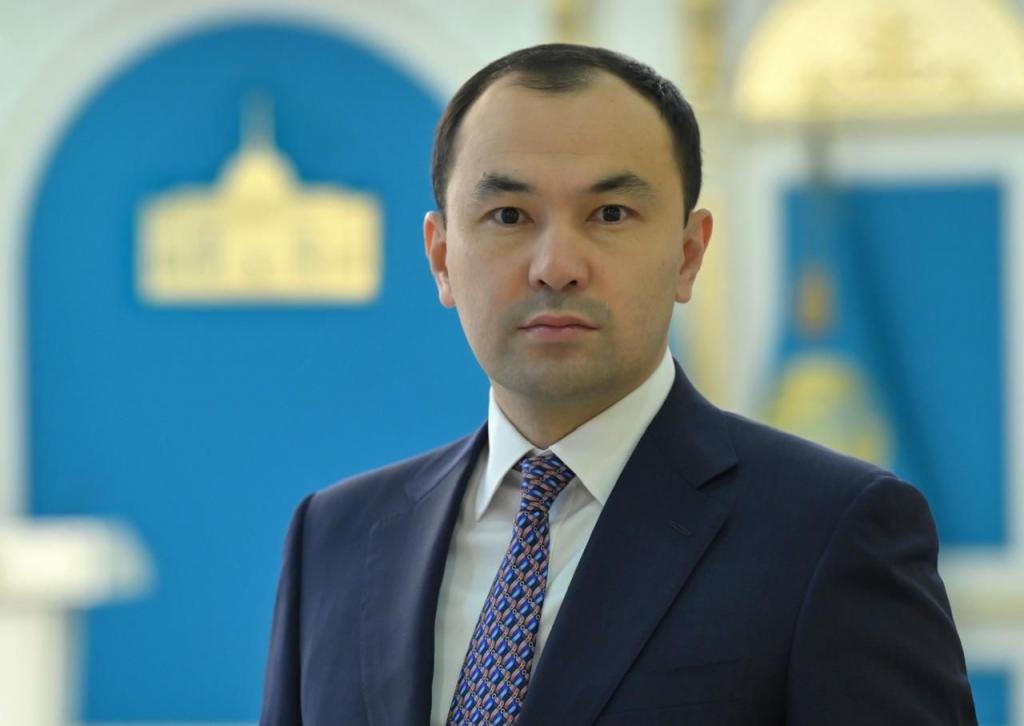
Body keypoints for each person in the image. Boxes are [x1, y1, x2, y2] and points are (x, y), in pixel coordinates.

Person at [260, 44, 976, 725]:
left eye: (610, 214)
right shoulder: (336, 537)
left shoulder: (830, 531)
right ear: (441, 257)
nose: (556, 267)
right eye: (509, 216)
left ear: (689, 254)